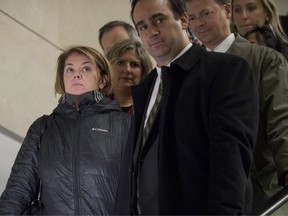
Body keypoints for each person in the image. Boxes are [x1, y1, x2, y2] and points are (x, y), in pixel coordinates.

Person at [115, 0, 259, 215]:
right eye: (142, 26)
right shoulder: (145, 88)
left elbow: (231, 164)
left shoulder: (224, 71)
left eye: (159, 19)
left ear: (183, 19)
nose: (151, 31)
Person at [0, 46, 131, 215]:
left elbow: (142, 191)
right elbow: (17, 192)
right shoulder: (43, 128)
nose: (76, 74)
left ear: (103, 81)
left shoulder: (124, 124)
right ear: (62, 79)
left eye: (86, 68)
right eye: (70, 69)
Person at [185, 0, 288, 211]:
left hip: (261, 187)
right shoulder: (189, 73)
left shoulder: (263, 59)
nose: (199, 23)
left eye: (205, 13)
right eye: (193, 18)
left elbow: (281, 120)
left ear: (227, 10)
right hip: (208, 195)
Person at [106, 39, 153, 115]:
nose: (127, 70)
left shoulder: (151, 107)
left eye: (134, 65)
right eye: (120, 63)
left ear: (143, 72)